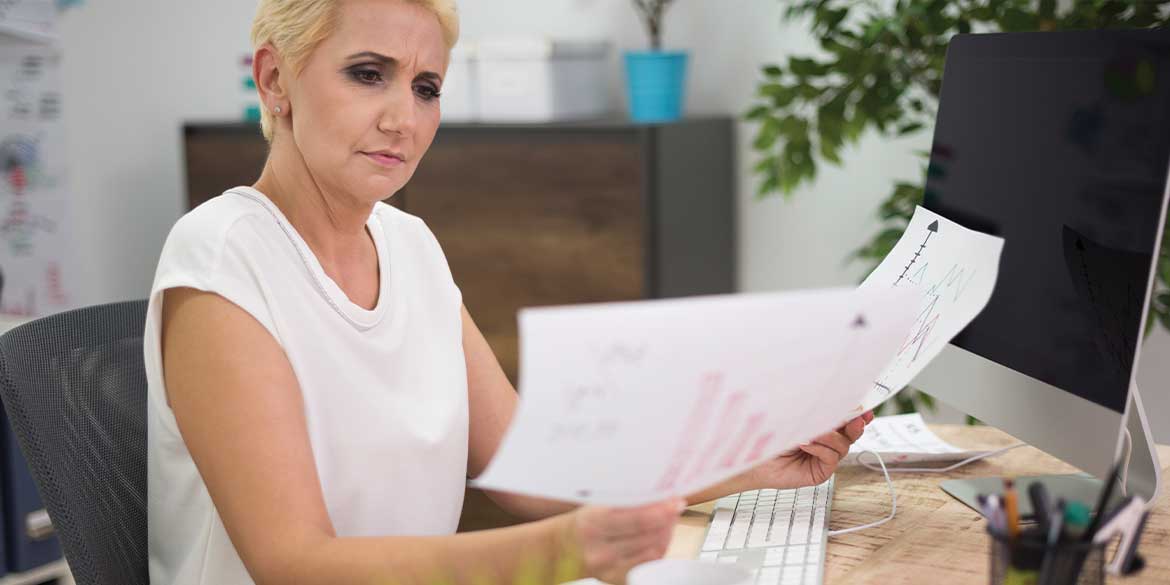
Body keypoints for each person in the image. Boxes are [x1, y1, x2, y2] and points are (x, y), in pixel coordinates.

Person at [145, 1, 873, 584]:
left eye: (426, 87)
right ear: (274, 80)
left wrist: (752, 461)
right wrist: (560, 553)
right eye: (369, 73)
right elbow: (292, 562)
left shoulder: (411, 247)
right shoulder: (223, 256)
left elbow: (532, 470)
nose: (405, 118)